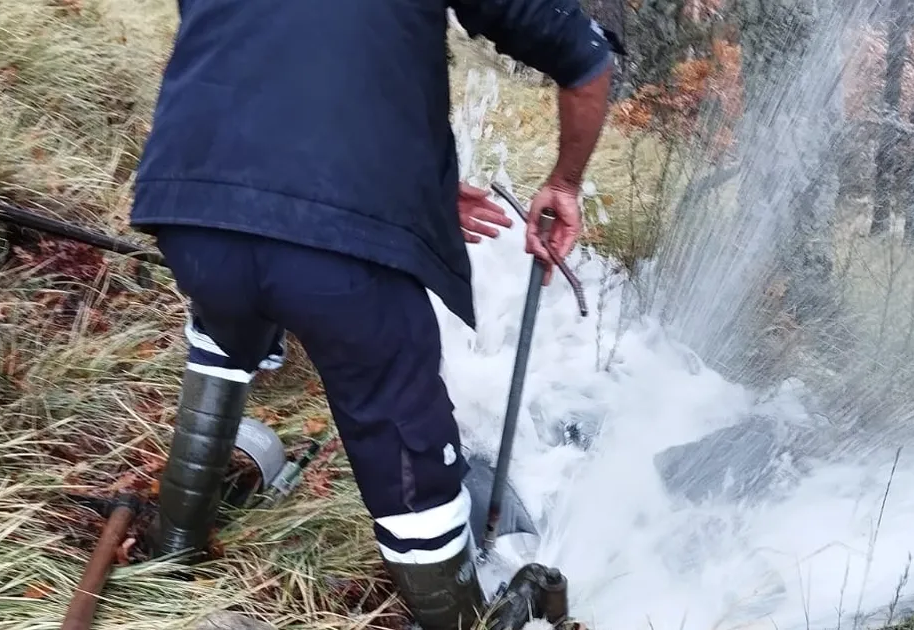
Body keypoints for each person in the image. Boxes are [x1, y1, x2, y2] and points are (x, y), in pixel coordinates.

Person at [128, 1, 616, 628]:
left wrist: (411, 190)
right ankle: (455, 616)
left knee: (227, 316)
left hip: (189, 207)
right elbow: (586, 62)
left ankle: (171, 553)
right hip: (339, 271)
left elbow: (272, 54)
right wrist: (566, 184)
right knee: (400, 431)